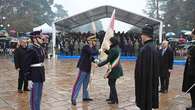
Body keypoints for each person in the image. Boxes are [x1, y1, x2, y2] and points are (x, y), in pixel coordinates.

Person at [134, 25, 159, 110]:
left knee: (145, 103)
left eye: (142, 35)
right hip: (149, 83)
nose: (141, 37)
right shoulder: (152, 47)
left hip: (145, 84)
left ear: (145, 35)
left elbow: (144, 71)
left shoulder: (146, 48)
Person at [71, 35, 98, 105]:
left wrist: (96, 61)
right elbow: (92, 53)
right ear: (90, 41)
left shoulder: (92, 48)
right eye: (94, 41)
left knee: (86, 83)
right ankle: (73, 98)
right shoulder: (86, 47)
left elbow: (91, 57)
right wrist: (100, 51)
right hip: (83, 67)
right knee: (78, 83)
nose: (95, 42)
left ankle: (85, 96)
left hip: (88, 67)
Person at [97, 37, 123, 104]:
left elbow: (108, 59)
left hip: (113, 68)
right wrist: (105, 51)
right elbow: (112, 55)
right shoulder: (117, 48)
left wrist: (99, 64)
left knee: (111, 84)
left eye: (110, 42)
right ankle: (112, 98)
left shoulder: (113, 49)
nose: (109, 43)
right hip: (116, 67)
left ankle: (114, 100)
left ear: (113, 42)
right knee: (111, 83)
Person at [24, 31, 45, 110]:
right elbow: (26, 65)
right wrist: (29, 79)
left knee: (39, 95)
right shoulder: (31, 49)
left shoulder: (40, 47)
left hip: (40, 74)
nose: (41, 39)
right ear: (34, 39)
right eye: (39, 37)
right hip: (34, 75)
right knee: (34, 97)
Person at [182, 27, 195, 110]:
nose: (192, 35)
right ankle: (193, 105)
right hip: (191, 73)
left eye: (193, 34)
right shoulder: (193, 45)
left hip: (194, 73)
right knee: (192, 90)